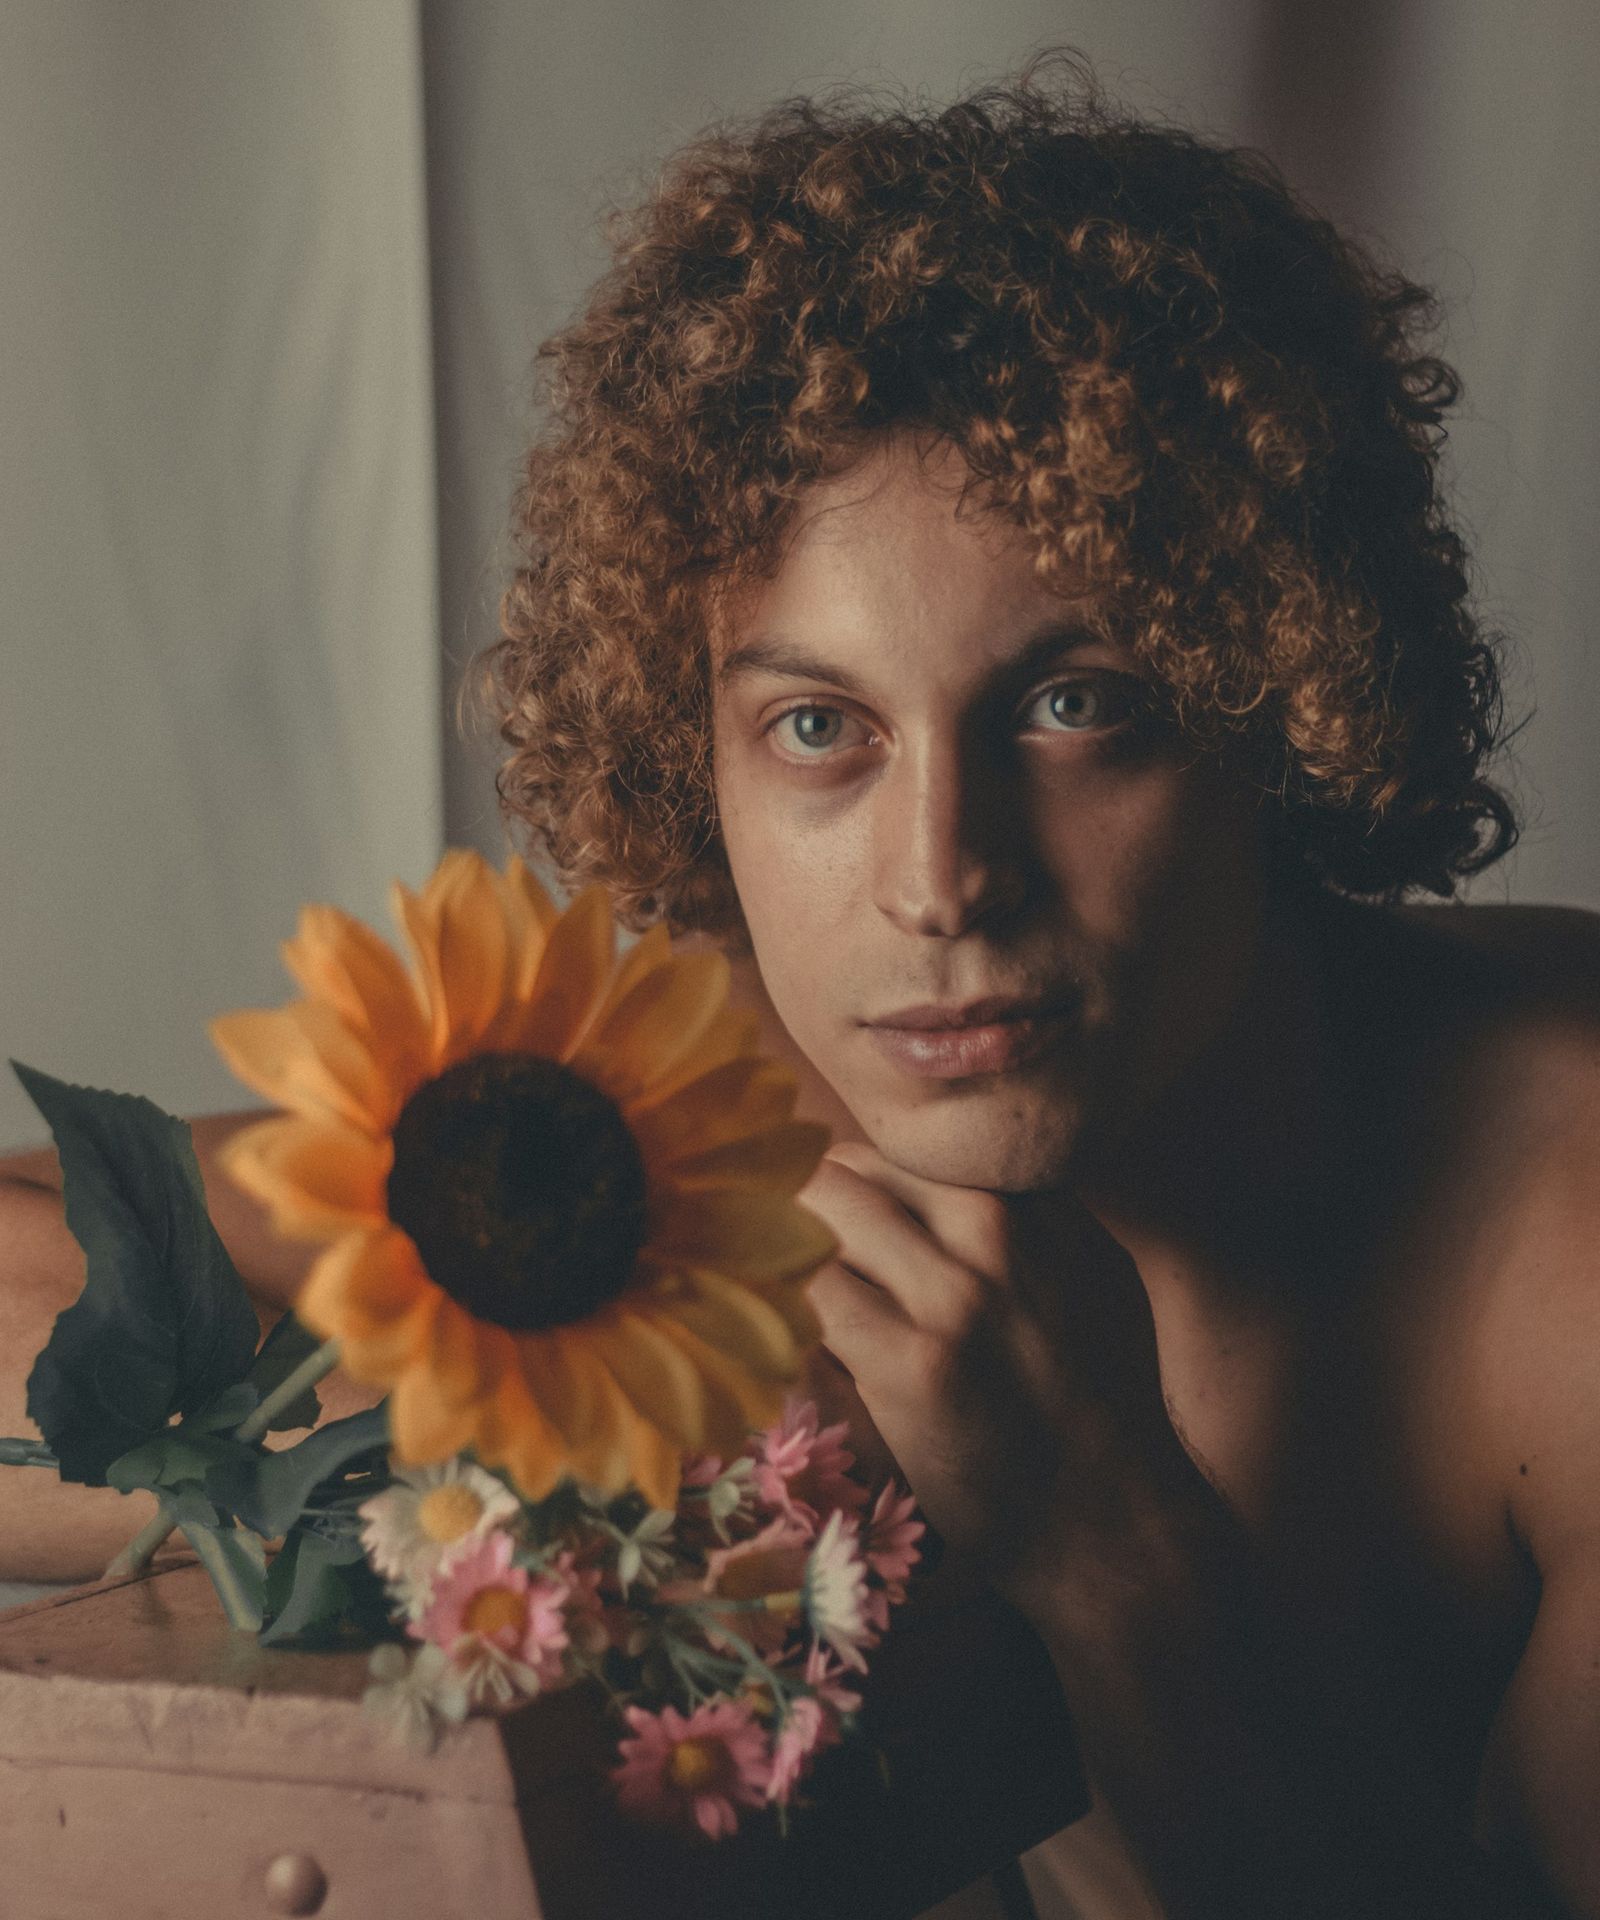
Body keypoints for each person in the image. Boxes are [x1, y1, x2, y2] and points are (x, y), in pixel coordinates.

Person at [3, 54, 1598, 1917]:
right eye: (821, 727)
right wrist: (583, 1424)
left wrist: (1098, 1540)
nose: (938, 881)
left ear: (1278, 702)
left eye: (1079, 707)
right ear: (698, 756)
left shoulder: (1558, 1232)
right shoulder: (729, 1102)